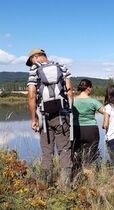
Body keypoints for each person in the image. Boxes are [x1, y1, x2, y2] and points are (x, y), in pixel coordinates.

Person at [26, 48, 73, 190]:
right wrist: (69, 113)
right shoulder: (62, 67)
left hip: (44, 117)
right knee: (65, 150)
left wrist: (34, 119)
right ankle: (66, 187)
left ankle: (45, 187)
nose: (31, 63)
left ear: (36, 57)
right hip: (62, 115)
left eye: (31, 60)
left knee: (47, 152)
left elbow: (32, 95)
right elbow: (70, 91)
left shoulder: (35, 69)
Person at [73, 79, 104, 171]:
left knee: (76, 155)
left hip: (76, 129)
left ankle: (77, 177)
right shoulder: (93, 102)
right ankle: (89, 179)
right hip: (91, 130)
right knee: (90, 158)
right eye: (91, 87)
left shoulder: (73, 101)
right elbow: (106, 112)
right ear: (88, 88)